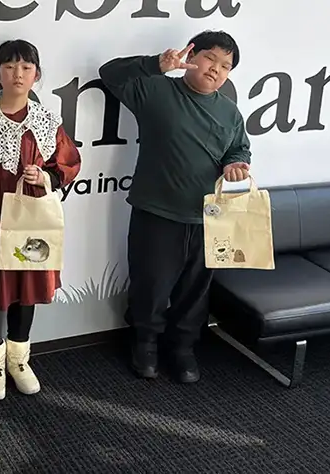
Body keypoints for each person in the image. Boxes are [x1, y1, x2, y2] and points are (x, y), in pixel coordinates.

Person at [99, 30, 251, 383]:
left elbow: (239, 149)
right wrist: (155, 65)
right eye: (211, 58)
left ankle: (182, 347)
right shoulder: (156, 90)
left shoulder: (229, 112)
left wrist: (235, 164)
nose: (216, 69)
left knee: (195, 290)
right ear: (191, 55)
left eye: (225, 66)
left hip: (209, 216)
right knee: (151, 284)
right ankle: (145, 343)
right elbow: (110, 74)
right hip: (157, 211)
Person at [0, 40, 81, 400]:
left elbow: (67, 164)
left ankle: (19, 360)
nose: (18, 74)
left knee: (26, 287)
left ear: (36, 75)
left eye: (26, 67)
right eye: (10, 66)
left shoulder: (46, 121)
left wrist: (45, 177)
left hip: (31, 221)